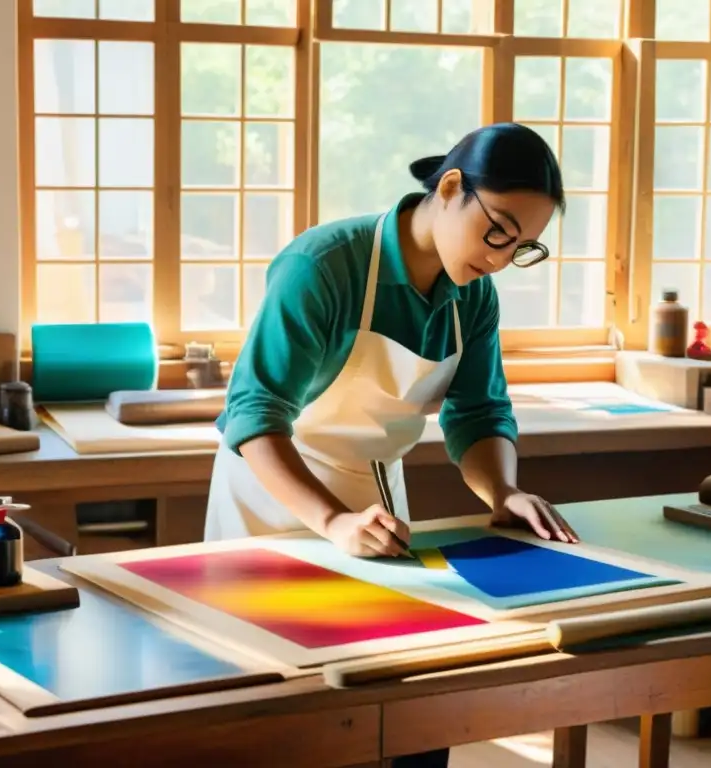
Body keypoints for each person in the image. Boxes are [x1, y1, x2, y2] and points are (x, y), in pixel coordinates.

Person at [205, 120, 579, 768]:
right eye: (497, 231)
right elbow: (253, 412)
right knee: (276, 719)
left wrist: (503, 490)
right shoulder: (323, 267)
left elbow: (480, 411)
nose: (497, 259)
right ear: (452, 187)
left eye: (520, 248)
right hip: (272, 502)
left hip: (374, 507)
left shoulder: (472, 297)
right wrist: (330, 521)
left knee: (407, 711)